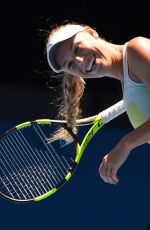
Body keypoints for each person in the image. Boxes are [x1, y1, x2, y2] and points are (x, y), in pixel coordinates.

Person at [46, 21, 150, 185]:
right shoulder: (129, 82)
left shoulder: (136, 50)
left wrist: (125, 144)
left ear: (91, 32)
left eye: (77, 48)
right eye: (70, 65)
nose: (79, 61)